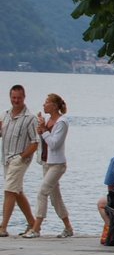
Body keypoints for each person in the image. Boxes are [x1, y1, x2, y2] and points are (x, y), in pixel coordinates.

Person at [24, 93, 74, 239]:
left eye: (46, 102)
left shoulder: (62, 122)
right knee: (55, 197)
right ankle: (68, 227)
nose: (44, 105)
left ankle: (36, 228)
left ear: (54, 105)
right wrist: (41, 129)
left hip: (57, 164)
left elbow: (54, 143)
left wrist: (44, 131)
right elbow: (44, 141)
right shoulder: (48, 120)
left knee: (42, 192)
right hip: (47, 162)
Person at [0, 85, 38, 237]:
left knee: (9, 190)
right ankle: (33, 223)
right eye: (13, 97)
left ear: (24, 97)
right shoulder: (5, 115)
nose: (16, 100)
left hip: (19, 159)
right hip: (6, 159)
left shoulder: (30, 118)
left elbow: (35, 142)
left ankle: (3, 227)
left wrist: (22, 156)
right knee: (17, 191)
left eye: (19, 98)